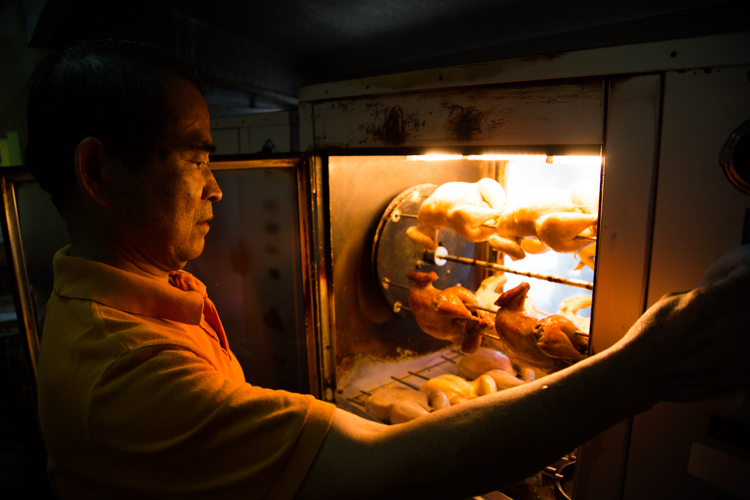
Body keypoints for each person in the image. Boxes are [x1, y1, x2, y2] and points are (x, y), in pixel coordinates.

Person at [26, 39, 750, 500]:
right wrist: (646, 366)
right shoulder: (123, 377)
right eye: (194, 156)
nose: (217, 187)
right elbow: (380, 471)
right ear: (98, 170)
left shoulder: (131, 293)